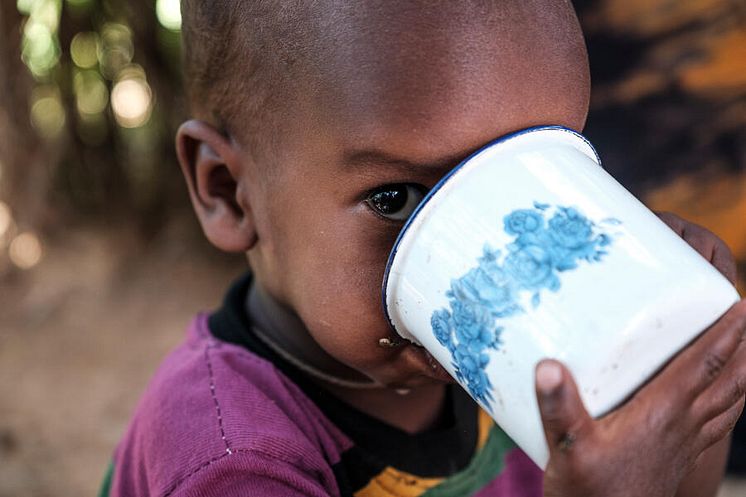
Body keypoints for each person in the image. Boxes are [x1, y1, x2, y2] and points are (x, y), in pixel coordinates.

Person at [100, 1, 746, 496]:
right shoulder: (231, 456)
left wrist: (686, 369)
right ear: (229, 192)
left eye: (539, 170)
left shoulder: (533, 351)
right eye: (396, 198)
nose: (492, 264)